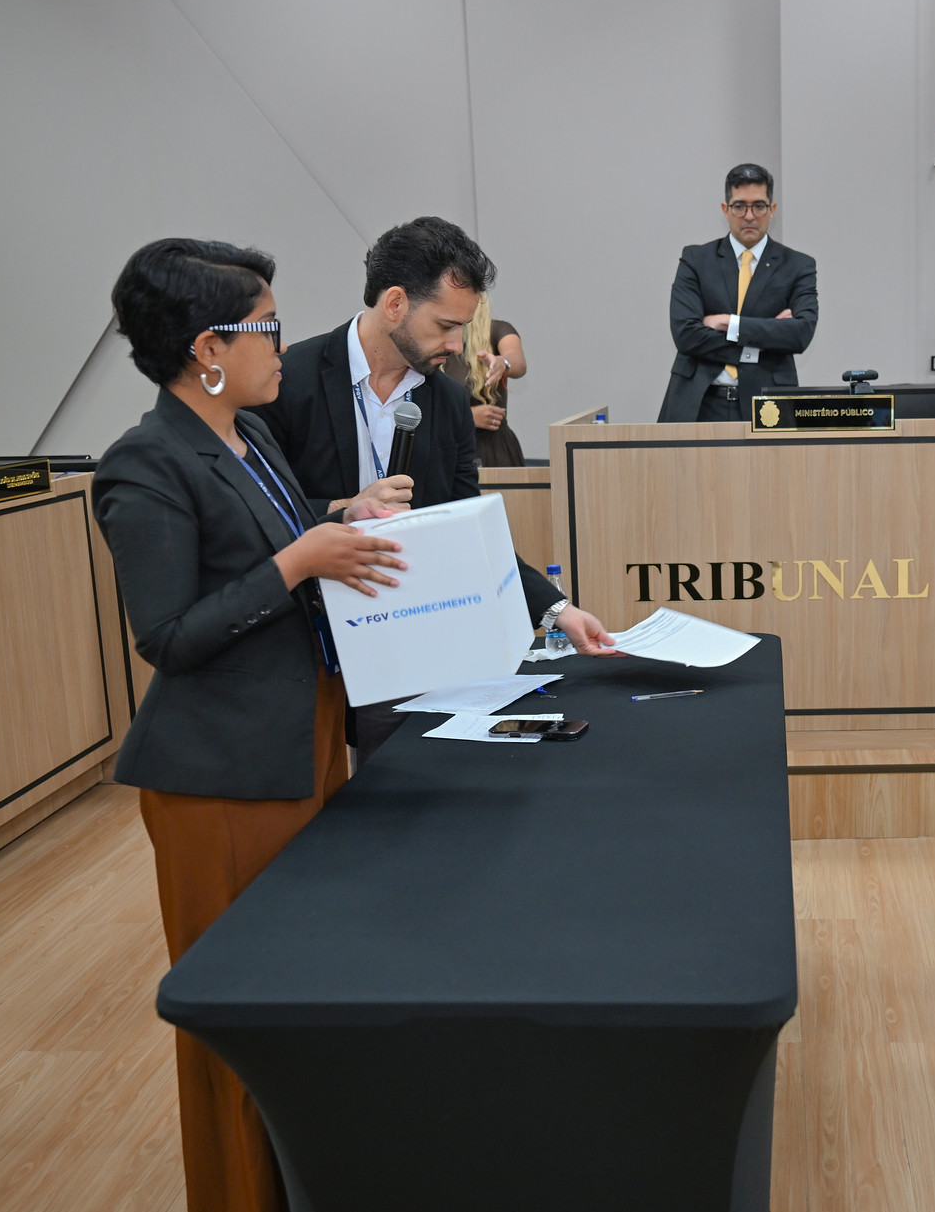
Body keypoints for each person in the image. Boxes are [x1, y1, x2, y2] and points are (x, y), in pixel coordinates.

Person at [94, 238, 411, 1212]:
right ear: (207, 349)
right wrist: (298, 562)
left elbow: (275, 539)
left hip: (304, 743)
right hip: (220, 781)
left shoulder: (251, 436)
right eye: (265, 326)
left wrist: (337, 519)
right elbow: (168, 635)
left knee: (305, 1018)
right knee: (239, 1032)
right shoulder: (144, 462)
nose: (283, 344)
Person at [259, 217, 618, 762]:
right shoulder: (290, 381)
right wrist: (343, 511)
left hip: (413, 642)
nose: (458, 345)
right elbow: (259, 514)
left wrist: (557, 611)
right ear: (396, 303)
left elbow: (471, 527)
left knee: (408, 792)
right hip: (307, 642)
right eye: (447, 325)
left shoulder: (447, 401)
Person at [658, 163, 819, 422]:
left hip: (767, 405)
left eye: (759, 206)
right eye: (739, 206)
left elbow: (800, 334)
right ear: (726, 209)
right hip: (698, 404)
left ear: (772, 210)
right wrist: (761, 343)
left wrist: (728, 323)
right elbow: (685, 335)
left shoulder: (798, 265)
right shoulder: (695, 260)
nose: (749, 215)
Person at [440, 295, 527, 468]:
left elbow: (518, 362)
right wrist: (468, 417)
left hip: (492, 451)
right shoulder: (434, 337)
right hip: (446, 448)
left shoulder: (498, 330)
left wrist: (503, 363)